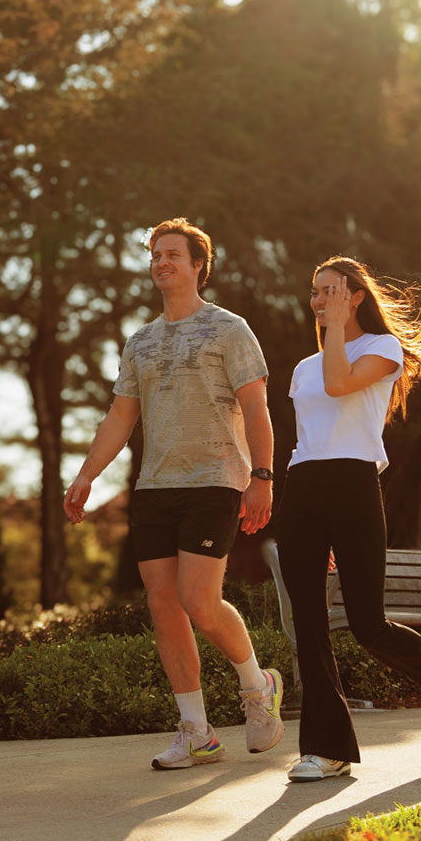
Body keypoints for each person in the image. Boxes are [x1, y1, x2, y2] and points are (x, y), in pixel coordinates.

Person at [64, 218, 285, 771]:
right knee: (164, 607)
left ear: (196, 266)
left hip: (215, 480)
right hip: (155, 486)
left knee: (199, 603)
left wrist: (263, 477)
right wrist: (88, 474)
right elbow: (121, 417)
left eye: (172, 254)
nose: (161, 262)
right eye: (155, 255)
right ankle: (196, 731)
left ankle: (258, 687)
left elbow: (257, 408)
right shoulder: (140, 341)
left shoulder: (228, 329)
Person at [277, 256, 421, 783]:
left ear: (356, 297)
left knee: (368, 624)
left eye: (331, 291)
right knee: (308, 620)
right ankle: (327, 748)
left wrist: (340, 328)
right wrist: (303, 508)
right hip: (303, 486)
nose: (319, 301)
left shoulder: (381, 350)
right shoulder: (304, 367)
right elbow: (309, 436)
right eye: (316, 292)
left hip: (353, 485)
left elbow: (343, 385)